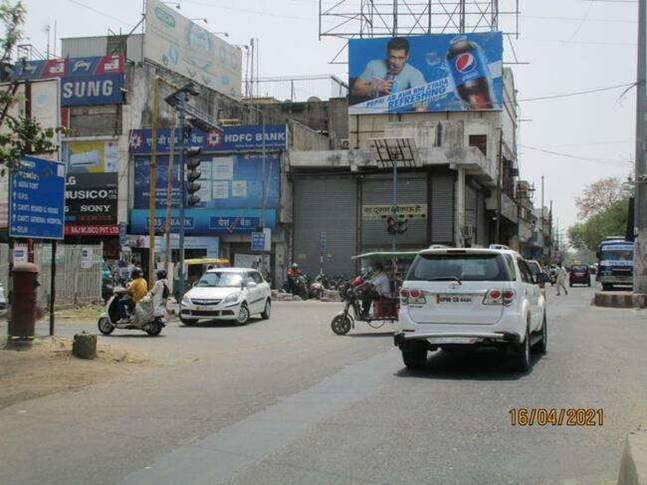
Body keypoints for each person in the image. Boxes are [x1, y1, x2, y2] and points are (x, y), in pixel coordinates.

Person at [351, 37, 427, 110]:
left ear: (407, 56)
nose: (397, 63)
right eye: (393, 57)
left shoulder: (415, 74)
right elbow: (354, 90)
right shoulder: (374, 65)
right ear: (387, 55)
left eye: (401, 58)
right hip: (369, 112)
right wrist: (375, 87)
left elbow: (421, 106)